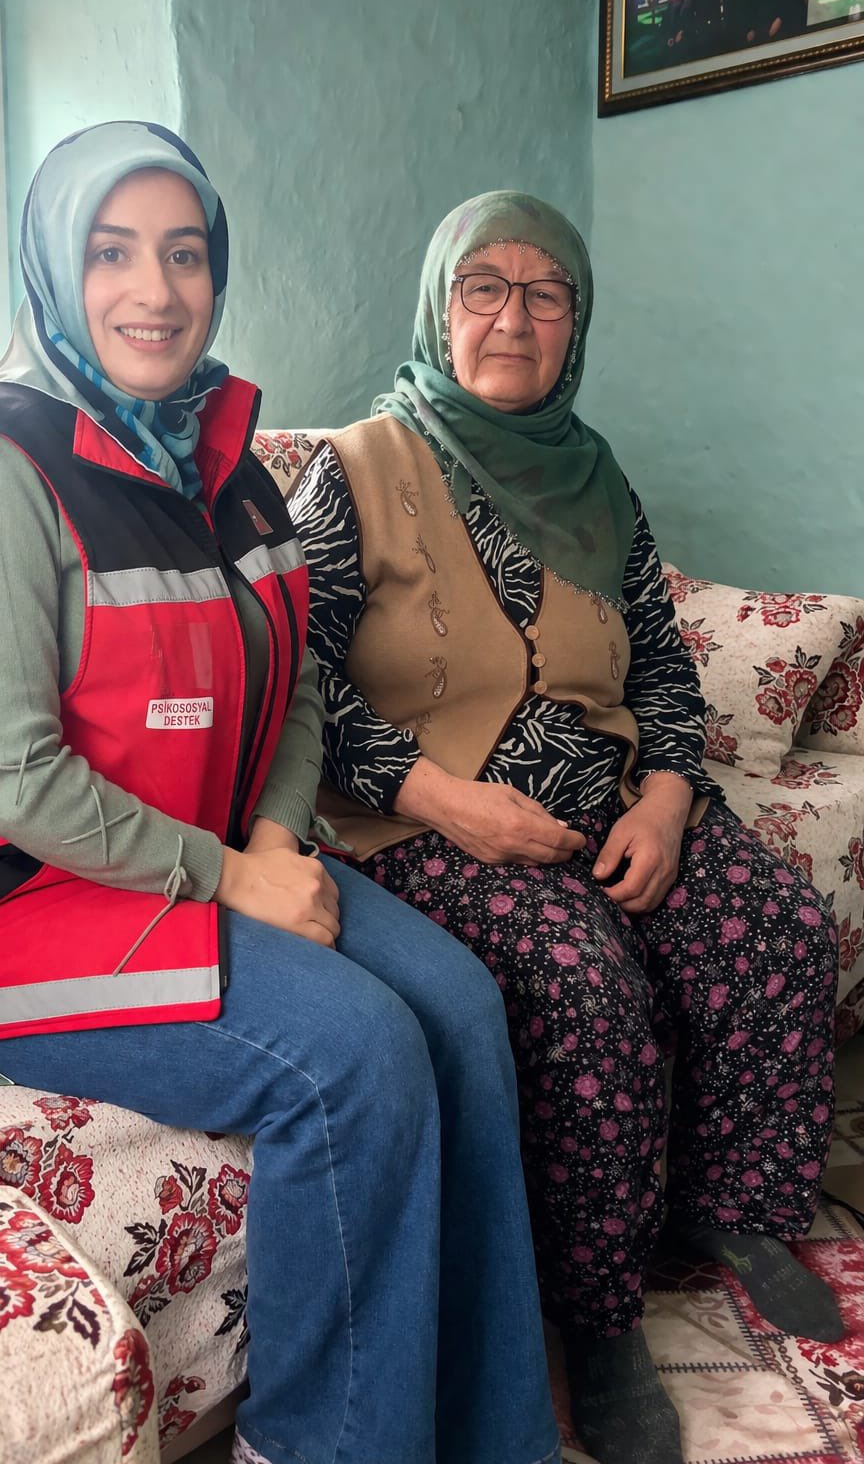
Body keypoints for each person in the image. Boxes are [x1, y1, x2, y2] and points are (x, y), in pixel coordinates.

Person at [0, 128, 562, 1464]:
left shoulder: (227, 465)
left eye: (185, 255)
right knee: (354, 1054)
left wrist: (280, 841)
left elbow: (293, 687)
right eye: (111, 252)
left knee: (465, 1005)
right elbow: (10, 780)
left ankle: (493, 1439)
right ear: (53, 268)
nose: (156, 289)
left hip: (199, 862)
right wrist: (237, 877)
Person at [289, 191, 844, 1464]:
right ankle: (595, 1319)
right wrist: (440, 799)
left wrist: (666, 796)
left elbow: (660, 666)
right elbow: (300, 685)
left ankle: (734, 1207)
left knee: (775, 928)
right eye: (482, 287)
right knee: (581, 986)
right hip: (426, 820)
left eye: (546, 295)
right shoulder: (357, 466)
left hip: (607, 795)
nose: (513, 317)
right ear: (439, 309)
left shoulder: (597, 476)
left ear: (574, 327)